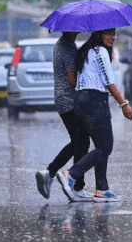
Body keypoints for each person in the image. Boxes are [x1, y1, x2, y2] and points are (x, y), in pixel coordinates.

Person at [56, 28, 132, 202]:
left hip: (80, 102)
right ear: (99, 34)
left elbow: (74, 79)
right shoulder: (100, 52)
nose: (112, 37)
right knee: (106, 147)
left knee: (100, 146)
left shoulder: (85, 51)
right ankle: (71, 174)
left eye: (114, 34)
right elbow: (109, 81)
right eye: (108, 34)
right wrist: (124, 104)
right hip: (95, 101)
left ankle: (102, 189)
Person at [35, 31, 91, 200]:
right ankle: (73, 184)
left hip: (63, 100)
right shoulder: (67, 48)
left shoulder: (62, 45)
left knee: (79, 141)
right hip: (69, 101)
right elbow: (72, 79)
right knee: (81, 141)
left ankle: (56, 175)